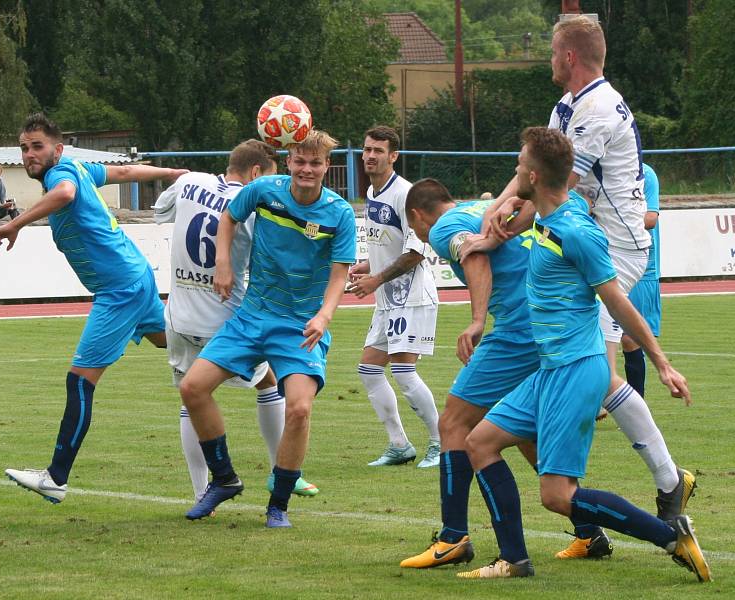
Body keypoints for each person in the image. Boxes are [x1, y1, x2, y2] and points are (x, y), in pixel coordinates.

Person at [460, 15, 693, 558]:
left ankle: (665, 484)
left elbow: (561, 194)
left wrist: (494, 231)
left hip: (614, 245)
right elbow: (531, 176)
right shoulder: (569, 105)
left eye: (550, 49)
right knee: (588, 369)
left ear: (568, 56)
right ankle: (613, 513)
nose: (547, 57)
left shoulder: (596, 111)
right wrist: (496, 214)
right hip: (591, 237)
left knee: (598, 369)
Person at [0, 113, 188, 503]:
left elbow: (64, 194)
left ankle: (56, 477)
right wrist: (169, 172)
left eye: (37, 147)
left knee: (80, 381)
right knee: (173, 342)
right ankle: (245, 346)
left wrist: (16, 224)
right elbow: (125, 171)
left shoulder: (60, 175)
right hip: (133, 275)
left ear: (57, 149)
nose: (30, 154)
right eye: (24, 148)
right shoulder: (79, 167)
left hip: (119, 289)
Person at [179, 129, 356, 528]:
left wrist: (325, 315)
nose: (306, 169)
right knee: (192, 388)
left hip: (300, 327)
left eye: (315, 163)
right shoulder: (263, 190)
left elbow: (339, 273)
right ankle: (223, 480)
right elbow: (229, 217)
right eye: (300, 161)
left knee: (298, 408)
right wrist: (223, 262)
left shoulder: (339, 213)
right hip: (252, 316)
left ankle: (278, 504)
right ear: (289, 160)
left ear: (327, 166)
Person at [153, 139, 317, 500]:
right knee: (269, 383)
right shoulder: (256, 205)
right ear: (257, 173)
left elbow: (159, 212)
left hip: (179, 316)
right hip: (227, 317)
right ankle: (284, 469)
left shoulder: (189, 182)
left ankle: (201, 492)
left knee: (190, 398)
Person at [398, 180, 541, 568]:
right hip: (548, 324)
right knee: (525, 433)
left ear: (417, 216)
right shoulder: (477, 210)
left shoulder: (443, 227)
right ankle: (587, 528)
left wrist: (477, 320)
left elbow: (472, 256)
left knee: (454, 424)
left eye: (416, 232)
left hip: (516, 332)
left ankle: (452, 537)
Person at [347, 126, 440, 468]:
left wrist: (376, 279)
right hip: (388, 299)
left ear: (394, 156)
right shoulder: (373, 193)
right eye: (367, 149)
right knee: (369, 370)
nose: (370, 156)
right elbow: (392, 246)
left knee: (402, 371)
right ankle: (399, 444)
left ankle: (440, 442)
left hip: (412, 297)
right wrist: (367, 265)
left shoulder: (406, 194)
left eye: (378, 151)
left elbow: (415, 252)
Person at [622, 164, 661, 397]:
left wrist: (615, 221)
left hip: (642, 265)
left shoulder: (646, 174)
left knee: (630, 338)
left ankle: (636, 406)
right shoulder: (600, 172)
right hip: (607, 263)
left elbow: (650, 219)